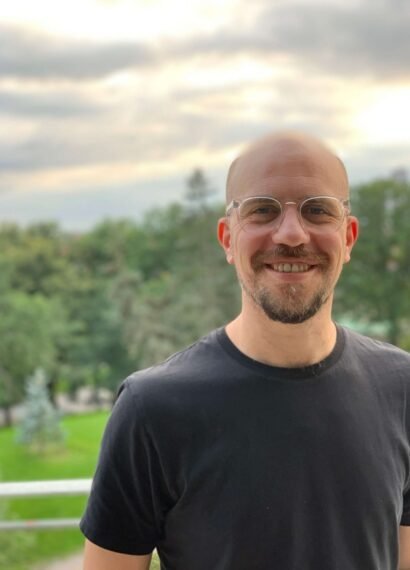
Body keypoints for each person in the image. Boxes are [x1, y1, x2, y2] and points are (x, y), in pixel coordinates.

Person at [81, 132, 410, 570]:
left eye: (317, 210)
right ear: (227, 238)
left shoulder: (402, 388)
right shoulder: (151, 409)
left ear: (348, 237)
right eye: (262, 210)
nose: (291, 234)